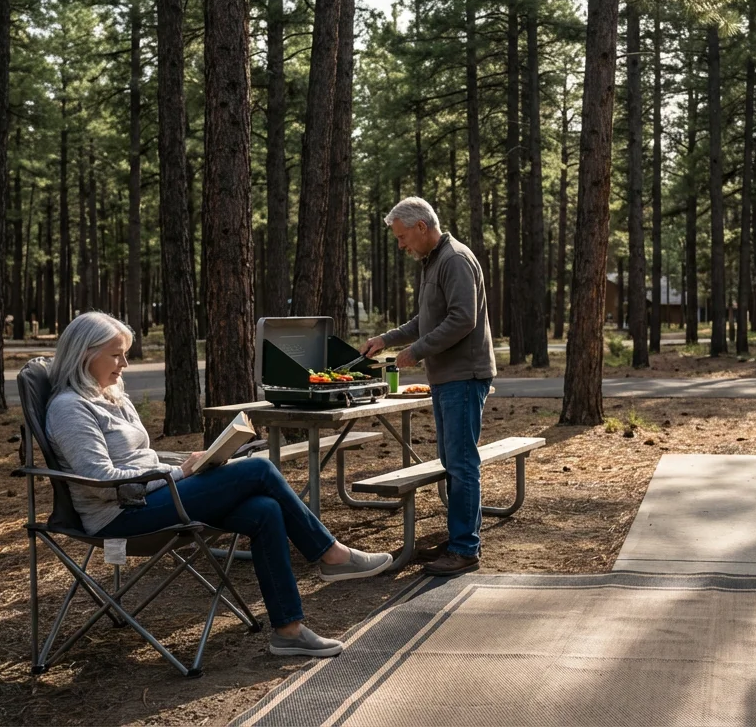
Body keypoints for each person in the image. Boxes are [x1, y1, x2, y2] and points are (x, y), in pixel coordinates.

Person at [44, 311, 391, 658]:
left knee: (265, 510)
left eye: (124, 353)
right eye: (116, 354)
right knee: (258, 469)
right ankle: (332, 555)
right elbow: (100, 482)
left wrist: (187, 462)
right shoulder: (69, 408)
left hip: (155, 494)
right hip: (120, 516)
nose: (125, 364)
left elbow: (141, 458)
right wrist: (182, 474)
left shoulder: (112, 395)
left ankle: (289, 631)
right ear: (85, 354)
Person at [361, 197, 497, 577]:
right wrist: (387, 340)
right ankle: (458, 538)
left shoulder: (453, 259)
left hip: (464, 377)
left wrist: (416, 352)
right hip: (447, 378)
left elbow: (462, 319)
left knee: (462, 464)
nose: (401, 245)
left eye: (403, 237)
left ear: (422, 226)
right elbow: (427, 319)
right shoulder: (434, 262)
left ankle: (465, 549)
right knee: (452, 463)